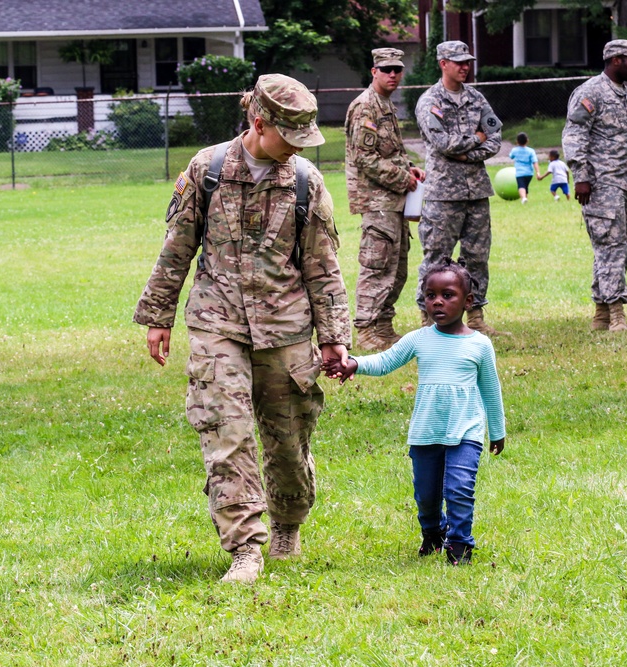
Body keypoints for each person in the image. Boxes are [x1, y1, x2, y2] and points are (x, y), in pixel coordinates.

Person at [133, 74, 351, 584]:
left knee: (288, 442)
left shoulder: (305, 182)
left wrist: (334, 336)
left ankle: (288, 524)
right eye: (289, 137)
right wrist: (159, 315)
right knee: (225, 433)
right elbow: (177, 245)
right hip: (218, 322)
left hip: (287, 329)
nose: (297, 149)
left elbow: (323, 266)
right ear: (259, 123)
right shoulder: (207, 169)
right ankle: (245, 548)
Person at [323, 259, 505, 565]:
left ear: (468, 301)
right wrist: (354, 362)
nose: (437, 301)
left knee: (459, 490)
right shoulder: (419, 339)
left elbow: (491, 389)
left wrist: (497, 431)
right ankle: (433, 534)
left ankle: (460, 546)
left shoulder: (480, 345)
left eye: (448, 295)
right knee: (427, 497)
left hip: (465, 433)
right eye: (430, 295)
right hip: (425, 433)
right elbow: (385, 361)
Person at [562, 39, 627, 332]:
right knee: (611, 247)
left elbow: (620, 139)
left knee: (613, 248)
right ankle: (617, 314)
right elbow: (574, 135)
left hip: (625, 183)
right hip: (600, 184)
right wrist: (580, 176)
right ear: (616, 60)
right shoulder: (591, 92)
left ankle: (601, 314)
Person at [415, 40, 504, 337]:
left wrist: (470, 151)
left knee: (477, 255)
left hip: (476, 191)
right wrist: (476, 138)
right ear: (443, 63)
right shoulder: (431, 101)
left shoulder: (476, 99)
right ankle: (429, 321)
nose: (465, 66)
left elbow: (495, 136)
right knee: (437, 258)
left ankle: (475, 317)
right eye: (458, 62)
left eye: (467, 62)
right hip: (443, 193)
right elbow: (442, 144)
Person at [345, 47, 426, 352]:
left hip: (394, 202)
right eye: (387, 69)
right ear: (374, 71)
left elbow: (388, 152)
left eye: (398, 69)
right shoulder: (365, 106)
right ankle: (366, 329)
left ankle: (383, 326)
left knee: (397, 268)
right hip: (377, 202)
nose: (393, 74)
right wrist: (402, 178)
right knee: (377, 266)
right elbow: (364, 158)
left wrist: (409, 168)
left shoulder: (385, 105)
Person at [509, 132, 541, 204]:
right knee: (525, 186)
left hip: (520, 173)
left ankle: (523, 198)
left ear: (517, 141)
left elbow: (511, 156)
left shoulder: (515, 150)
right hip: (529, 173)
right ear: (527, 141)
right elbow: (535, 162)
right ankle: (525, 199)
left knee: (521, 186)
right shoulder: (531, 151)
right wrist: (538, 172)